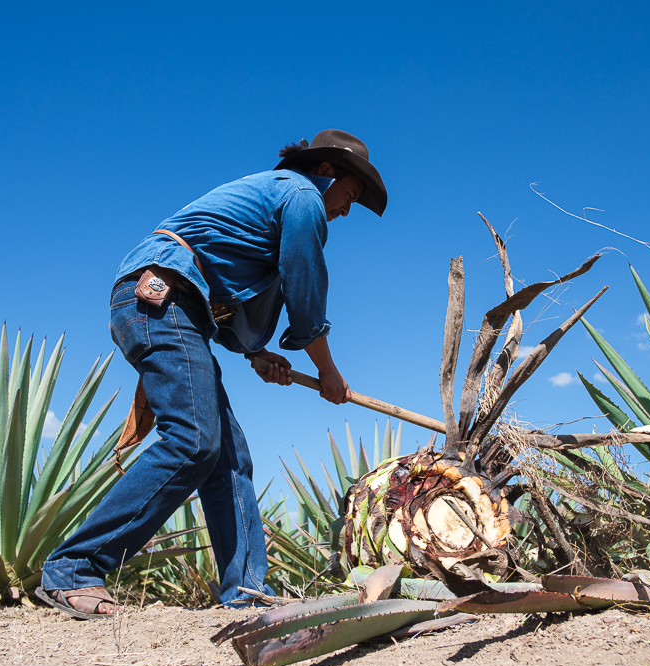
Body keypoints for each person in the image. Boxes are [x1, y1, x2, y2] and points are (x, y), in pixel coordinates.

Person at [35, 129, 387, 618]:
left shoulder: (269, 202)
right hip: (159, 299)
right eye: (350, 194)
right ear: (328, 172)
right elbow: (306, 296)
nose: (347, 210)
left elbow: (226, 300)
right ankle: (75, 567)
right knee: (194, 439)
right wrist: (329, 373)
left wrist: (258, 354)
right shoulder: (301, 195)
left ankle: (244, 595)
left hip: (180, 307)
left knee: (227, 457)